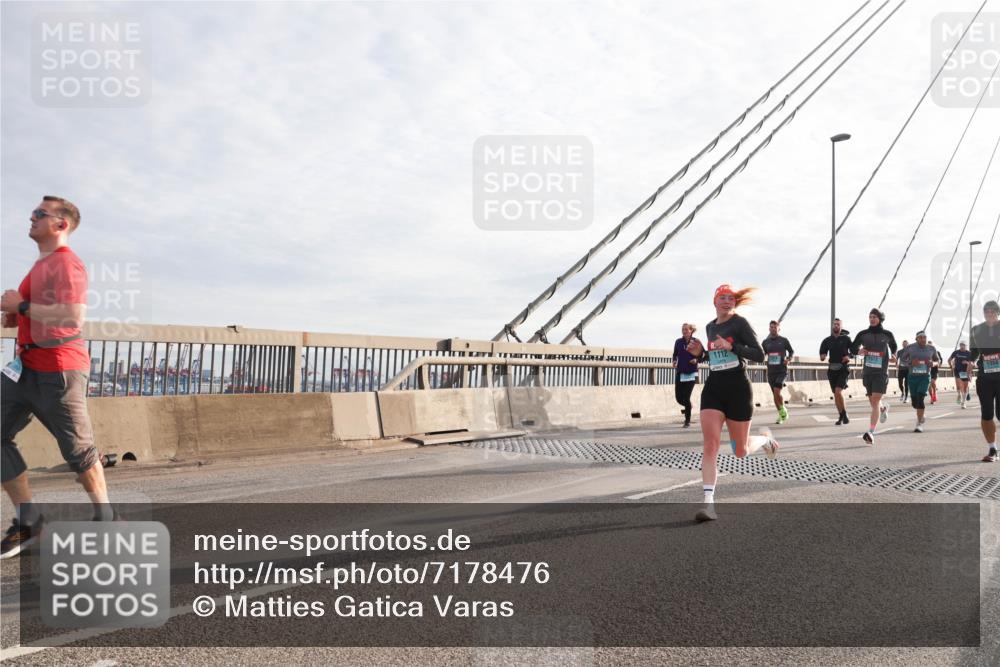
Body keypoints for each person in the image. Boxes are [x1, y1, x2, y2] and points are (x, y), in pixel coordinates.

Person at [1, 197, 112, 559]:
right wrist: (16, 318)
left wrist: (21, 306)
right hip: (25, 368)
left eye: (39, 214)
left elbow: (71, 317)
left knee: (77, 451)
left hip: (60, 369)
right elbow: (37, 313)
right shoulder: (40, 266)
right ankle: (28, 522)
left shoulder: (67, 263)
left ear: (61, 224)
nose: (30, 218)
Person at [686, 285, 778, 523]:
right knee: (710, 445)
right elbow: (713, 356)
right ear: (714, 301)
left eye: (731, 298)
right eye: (722, 298)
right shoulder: (709, 327)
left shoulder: (740, 324)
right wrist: (700, 355)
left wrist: (732, 347)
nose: (727, 301)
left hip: (738, 389)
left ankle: (766, 440)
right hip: (714, 389)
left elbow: (759, 354)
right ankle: (709, 504)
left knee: (740, 451)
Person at [850, 308, 898, 445]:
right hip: (867, 372)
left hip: (881, 372)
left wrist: (894, 355)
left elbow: (894, 346)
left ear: (880, 319)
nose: (872, 319)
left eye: (874, 317)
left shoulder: (887, 334)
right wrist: (858, 351)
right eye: (870, 317)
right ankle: (883, 409)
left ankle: (871, 432)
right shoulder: (863, 334)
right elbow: (853, 348)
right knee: (873, 403)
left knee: (875, 401)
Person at [969, 300, 1000, 463]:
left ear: (997, 312)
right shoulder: (976, 330)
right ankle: (992, 448)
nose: (989, 313)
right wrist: (971, 362)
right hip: (985, 377)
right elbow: (973, 352)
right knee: (986, 414)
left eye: (992, 311)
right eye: (986, 311)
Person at [899, 332, 936, 433]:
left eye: (925, 337)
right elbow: (902, 359)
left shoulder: (931, 348)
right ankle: (921, 414)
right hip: (913, 377)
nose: (923, 339)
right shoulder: (910, 347)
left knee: (920, 398)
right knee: (915, 403)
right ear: (916, 339)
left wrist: (934, 363)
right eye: (921, 338)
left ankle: (919, 424)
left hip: (925, 377)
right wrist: (910, 363)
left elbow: (938, 361)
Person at [819, 318, 853, 424]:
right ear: (832, 326)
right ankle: (841, 416)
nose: (836, 326)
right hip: (832, 369)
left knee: (838, 391)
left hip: (843, 368)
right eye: (834, 324)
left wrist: (848, 356)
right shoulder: (827, 340)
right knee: (836, 394)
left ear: (841, 326)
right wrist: (823, 356)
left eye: (838, 324)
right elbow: (822, 355)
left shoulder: (846, 339)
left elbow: (853, 352)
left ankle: (844, 414)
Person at [761, 320, 794, 424]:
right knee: (774, 395)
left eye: (775, 327)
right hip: (771, 371)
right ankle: (781, 414)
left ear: (779, 329)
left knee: (777, 391)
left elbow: (791, 351)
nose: (773, 329)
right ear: (769, 329)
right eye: (771, 327)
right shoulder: (765, 342)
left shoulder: (784, 340)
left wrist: (788, 359)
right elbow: (762, 354)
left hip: (782, 370)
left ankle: (783, 409)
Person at [673, 323, 701, 428]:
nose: (684, 331)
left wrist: (696, 360)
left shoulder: (696, 342)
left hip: (691, 372)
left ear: (691, 330)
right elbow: (675, 354)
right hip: (680, 371)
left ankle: (687, 421)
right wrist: (674, 361)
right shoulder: (678, 342)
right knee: (679, 398)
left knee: (686, 397)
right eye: (682, 329)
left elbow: (702, 355)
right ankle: (689, 406)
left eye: (686, 329)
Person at [949, 342, 974, 409]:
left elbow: (973, 363)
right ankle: (959, 395)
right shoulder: (956, 352)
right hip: (957, 371)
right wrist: (951, 366)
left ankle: (963, 402)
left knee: (965, 387)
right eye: (961, 345)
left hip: (966, 371)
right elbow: (949, 360)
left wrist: (967, 362)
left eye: (964, 345)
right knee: (959, 386)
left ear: (966, 346)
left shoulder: (969, 353)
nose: (962, 346)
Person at [896, 339, 910, 404]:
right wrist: (896, 364)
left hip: (908, 370)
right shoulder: (899, 351)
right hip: (901, 369)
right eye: (904, 344)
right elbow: (896, 358)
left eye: (906, 344)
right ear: (902, 345)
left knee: (906, 384)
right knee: (900, 384)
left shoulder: (910, 352)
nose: (905, 345)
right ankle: (902, 393)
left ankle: (906, 397)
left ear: (908, 345)